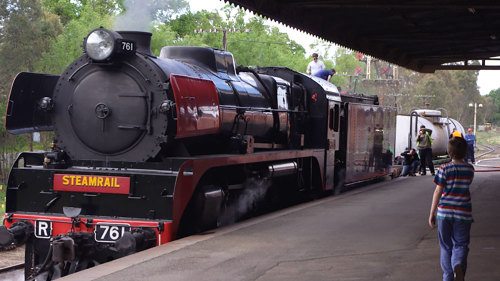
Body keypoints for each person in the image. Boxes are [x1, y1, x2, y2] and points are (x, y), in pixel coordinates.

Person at [429, 137, 474, 281]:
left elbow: (438, 191)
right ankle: (458, 264)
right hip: (463, 214)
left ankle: (448, 276)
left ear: (449, 152)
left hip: (444, 214)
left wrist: (432, 213)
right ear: (465, 151)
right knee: (460, 244)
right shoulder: (469, 169)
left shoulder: (444, 169)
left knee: (446, 246)